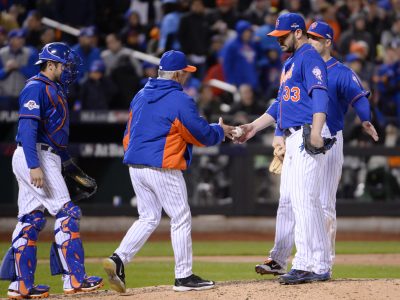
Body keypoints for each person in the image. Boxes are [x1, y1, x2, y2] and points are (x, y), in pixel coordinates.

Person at [255, 21, 379, 279]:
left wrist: (365, 119)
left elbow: (359, 98)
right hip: (302, 134)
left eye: (316, 37)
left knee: (321, 203)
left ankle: (320, 262)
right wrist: (279, 133)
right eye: (309, 36)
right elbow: (283, 103)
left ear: (328, 41)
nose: (311, 40)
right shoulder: (296, 63)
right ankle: (287, 259)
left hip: (326, 136)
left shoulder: (339, 71)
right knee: (294, 200)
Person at [103, 50, 234, 293]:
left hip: (135, 165)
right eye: (184, 73)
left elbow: (128, 133)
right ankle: (183, 277)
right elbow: (199, 134)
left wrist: (135, 157)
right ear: (176, 74)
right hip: (162, 166)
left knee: (148, 217)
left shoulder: (141, 95)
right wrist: (219, 130)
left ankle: (119, 259)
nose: (186, 77)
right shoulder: (179, 99)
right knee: (181, 216)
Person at [0, 42, 103, 299]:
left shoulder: (51, 88)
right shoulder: (36, 87)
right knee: (67, 212)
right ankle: (75, 280)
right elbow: (27, 129)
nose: (68, 70)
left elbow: (54, 135)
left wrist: (68, 166)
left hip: (44, 154)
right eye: (64, 65)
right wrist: (35, 166)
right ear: (51, 64)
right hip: (35, 155)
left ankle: (20, 285)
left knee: (31, 218)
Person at [235, 13, 332, 284]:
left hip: (306, 132)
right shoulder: (290, 62)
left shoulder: (308, 57)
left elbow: (320, 94)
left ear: (298, 33)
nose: (278, 41)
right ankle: (312, 262)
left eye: (282, 36)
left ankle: (308, 263)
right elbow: (280, 104)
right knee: (291, 200)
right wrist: (253, 128)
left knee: (304, 200)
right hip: (293, 135)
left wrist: (315, 130)